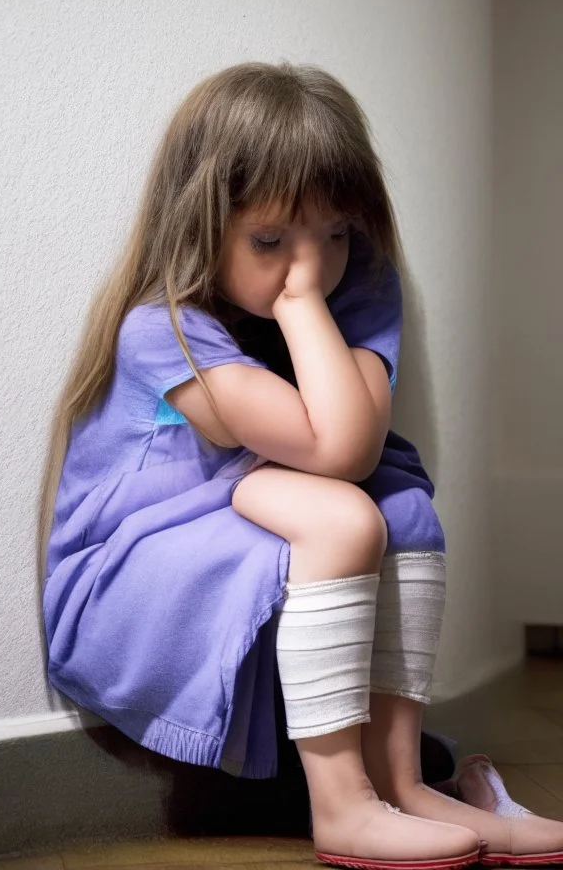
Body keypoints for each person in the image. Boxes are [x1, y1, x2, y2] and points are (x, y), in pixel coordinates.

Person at [38, 61, 563, 869]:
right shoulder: (162, 331)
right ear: (201, 225)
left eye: (336, 234)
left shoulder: (365, 286)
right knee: (348, 510)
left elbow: (353, 446)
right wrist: (303, 303)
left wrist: (305, 287)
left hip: (242, 511)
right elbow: (338, 452)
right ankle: (343, 805)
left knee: (405, 505)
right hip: (136, 565)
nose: (310, 264)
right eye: (272, 241)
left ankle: (401, 781)